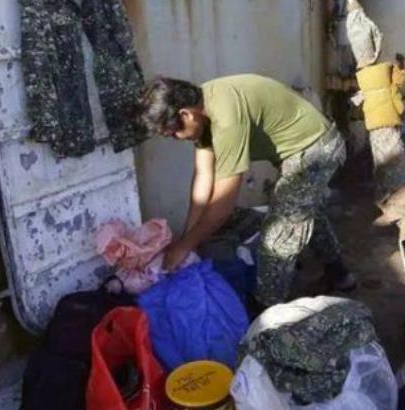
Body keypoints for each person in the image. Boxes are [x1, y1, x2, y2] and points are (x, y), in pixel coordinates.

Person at [139, 74, 355, 309]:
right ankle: (341, 275)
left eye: (174, 133)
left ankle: (265, 314)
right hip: (299, 151)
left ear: (185, 115)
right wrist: (187, 240)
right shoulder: (202, 107)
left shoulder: (226, 120)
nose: (176, 138)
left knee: (277, 240)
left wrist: (184, 246)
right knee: (302, 211)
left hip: (317, 150)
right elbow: (203, 176)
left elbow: (223, 205)